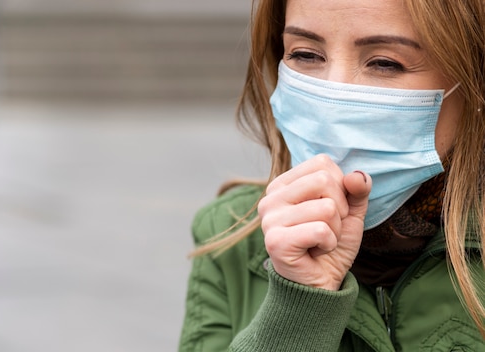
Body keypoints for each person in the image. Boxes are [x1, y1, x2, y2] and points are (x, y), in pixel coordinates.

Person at [179, 0, 485, 351]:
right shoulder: (228, 234)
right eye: (306, 55)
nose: (335, 94)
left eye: (385, 62)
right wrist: (297, 309)